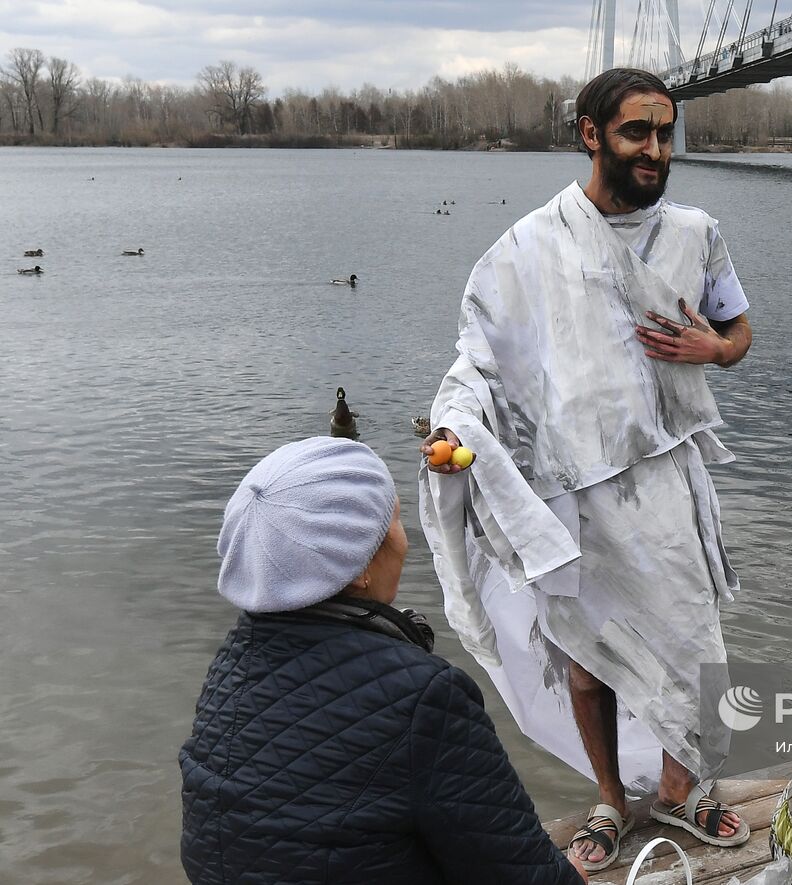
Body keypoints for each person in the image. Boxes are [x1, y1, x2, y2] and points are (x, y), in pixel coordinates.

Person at [418, 68, 754, 872]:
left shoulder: (696, 232)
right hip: (570, 488)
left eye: (666, 133)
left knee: (694, 645)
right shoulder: (526, 249)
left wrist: (716, 348)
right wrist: (453, 427)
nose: (656, 149)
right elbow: (479, 365)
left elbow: (739, 331)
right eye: (638, 131)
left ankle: (681, 788)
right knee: (584, 654)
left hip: (667, 478)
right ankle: (610, 798)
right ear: (590, 133)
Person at [179, 437, 585, 884]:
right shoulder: (422, 695)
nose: (404, 538)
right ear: (358, 569)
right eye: (392, 521)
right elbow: (520, 873)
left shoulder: (233, 662)